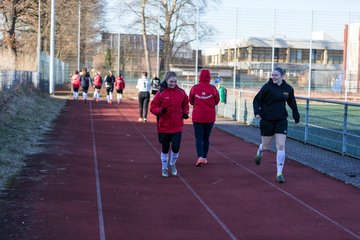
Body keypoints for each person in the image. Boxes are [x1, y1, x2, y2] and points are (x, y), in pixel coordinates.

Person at [253, 67, 300, 183]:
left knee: (280, 145)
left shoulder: (288, 89)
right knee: (265, 146)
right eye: (272, 75)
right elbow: (256, 100)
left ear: (282, 76)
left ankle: (279, 172)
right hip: (267, 120)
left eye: (276, 75)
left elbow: (292, 102)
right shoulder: (267, 87)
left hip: (281, 120)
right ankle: (259, 151)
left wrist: (296, 114)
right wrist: (257, 112)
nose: (273, 77)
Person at [150, 71, 189, 177]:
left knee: (176, 147)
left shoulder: (181, 92)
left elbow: (186, 102)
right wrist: (160, 110)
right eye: (171, 81)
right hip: (164, 126)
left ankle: (172, 164)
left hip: (177, 125)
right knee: (165, 148)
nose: (173, 83)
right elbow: (153, 107)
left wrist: (185, 112)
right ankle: (164, 168)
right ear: (166, 81)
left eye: (175, 81)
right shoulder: (160, 93)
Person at [189, 69, 220, 167]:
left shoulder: (194, 88)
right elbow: (217, 101)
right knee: (206, 138)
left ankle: (200, 157)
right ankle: (205, 157)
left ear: (200, 77)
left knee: (198, 138)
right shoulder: (213, 89)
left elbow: (191, 101)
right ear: (209, 77)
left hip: (197, 116)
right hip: (209, 117)